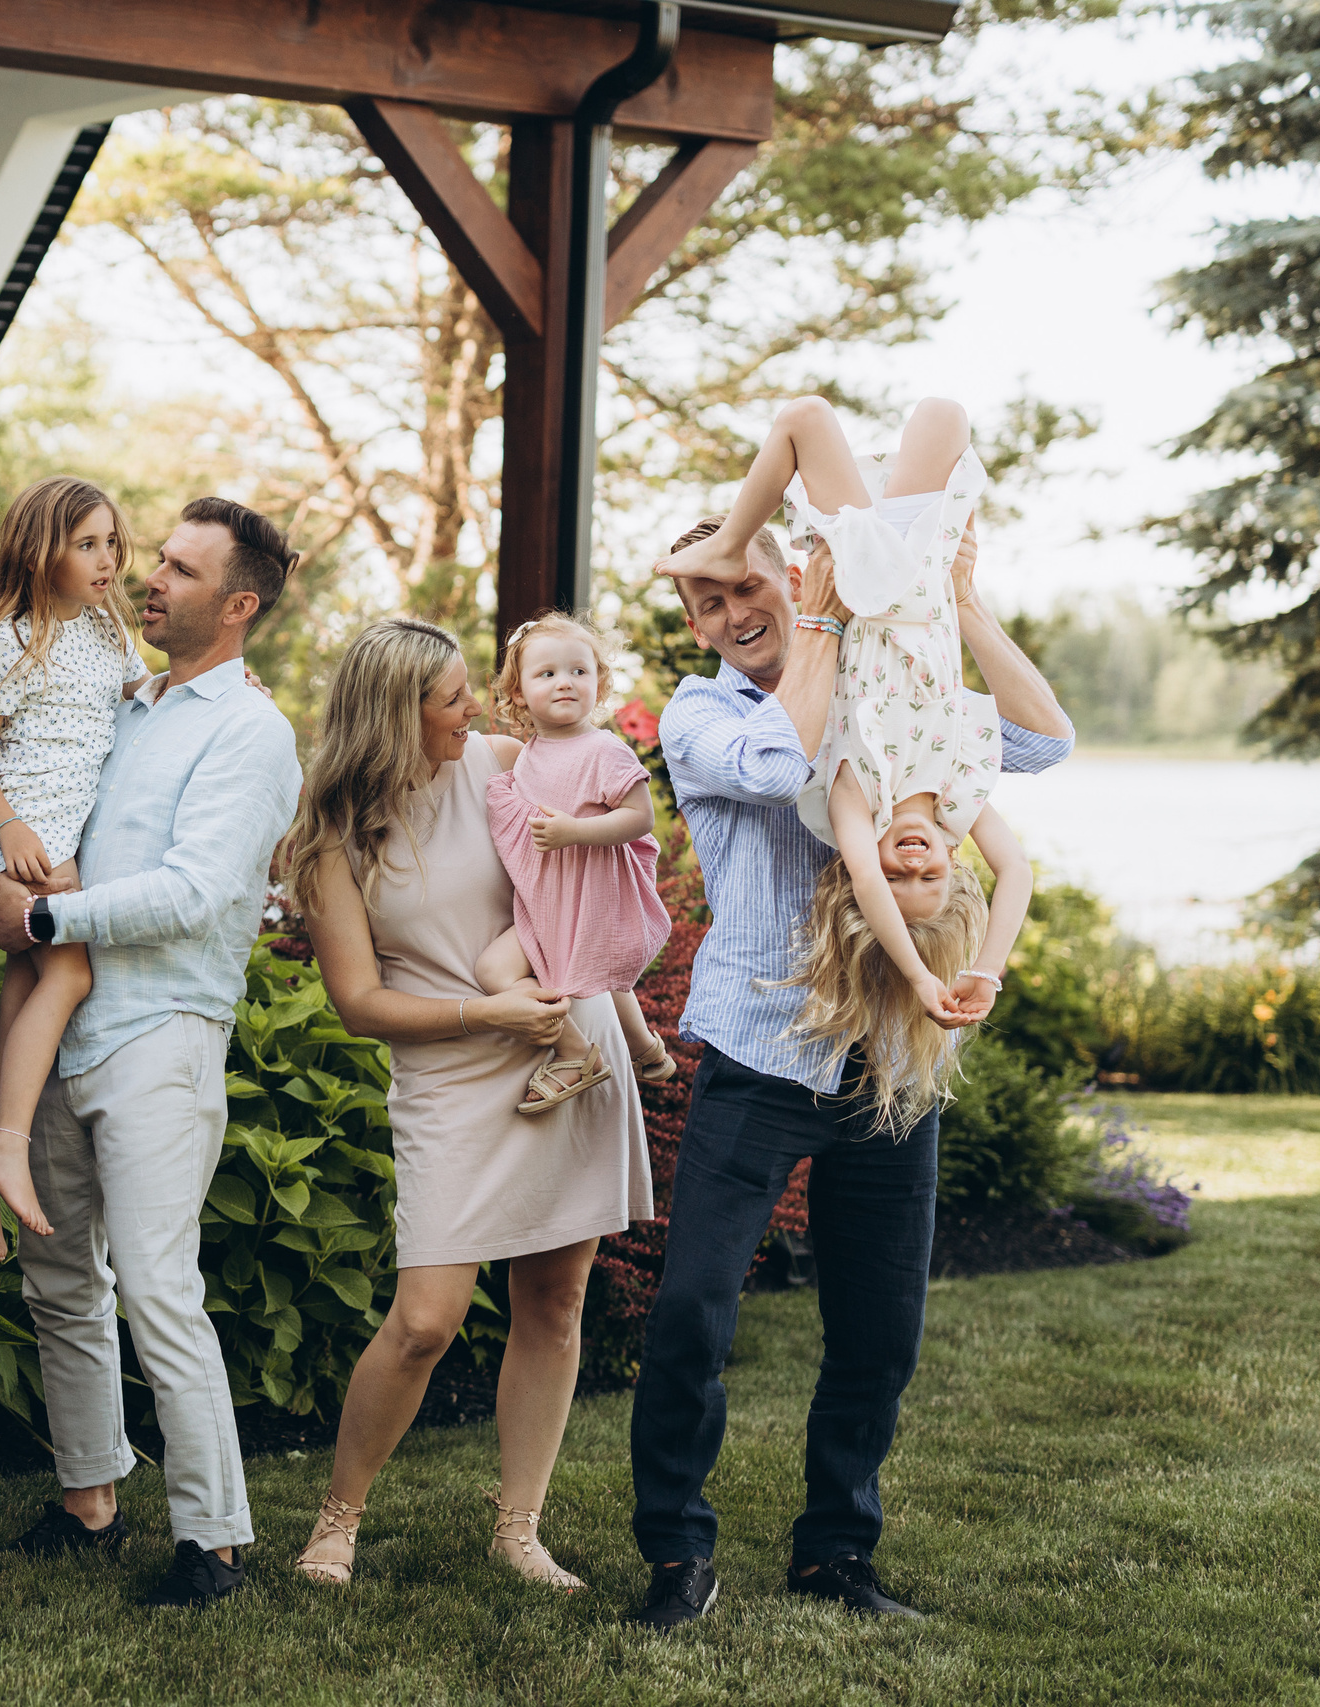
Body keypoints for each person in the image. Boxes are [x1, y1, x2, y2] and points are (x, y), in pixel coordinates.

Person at [633, 507, 1073, 1629]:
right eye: (707, 603)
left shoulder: (887, 686)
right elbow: (780, 761)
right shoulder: (702, 715)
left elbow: (1040, 742)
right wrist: (829, 625)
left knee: (880, 1332)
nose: (733, 615)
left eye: (748, 587)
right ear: (693, 625)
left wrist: (961, 604)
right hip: (760, 1052)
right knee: (692, 1313)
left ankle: (835, 1552)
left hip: (887, 1063)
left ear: (793, 573)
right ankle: (676, 1552)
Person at [0, 497, 302, 1609]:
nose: (151, 578)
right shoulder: (122, 698)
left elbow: (196, 892)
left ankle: (213, 1540)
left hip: (160, 1031)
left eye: (181, 569)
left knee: (160, 1286)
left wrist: (44, 919)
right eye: (156, 559)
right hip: (57, 1024)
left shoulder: (249, 731)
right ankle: (89, 1499)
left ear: (238, 604)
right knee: (60, 1277)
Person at [285, 617, 654, 1594]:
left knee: (556, 1299)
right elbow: (359, 1004)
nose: (477, 708)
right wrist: (484, 1011)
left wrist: (619, 1010)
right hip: (449, 1071)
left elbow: (600, 864)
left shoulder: (501, 763)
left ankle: (518, 1528)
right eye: (451, 697)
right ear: (394, 714)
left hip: (567, 1054)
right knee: (424, 1320)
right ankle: (337, 1518)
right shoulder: (330, 841)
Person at [657, 396, 1035, 1131]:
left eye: (746, 586)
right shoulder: (958, 783)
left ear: (796, 583)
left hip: (869, 592)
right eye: (929, 878)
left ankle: (728, 541)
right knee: (944, 416)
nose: (911, 866)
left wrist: (920, 977)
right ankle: (731, 543)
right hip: (922, 586)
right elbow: (1016, 863)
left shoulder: (847, 778)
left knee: (806, 419)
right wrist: (984, 970)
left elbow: (783, 779)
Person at [0, 476, 148, 1242]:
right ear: (42, 552)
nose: (107, 560)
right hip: (22, 841)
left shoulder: (108, 631)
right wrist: (8, 828)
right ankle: (7, 1145)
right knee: (71, 975)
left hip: (65, 840)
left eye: (111, 543)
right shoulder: (12, 639)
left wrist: (228, 682)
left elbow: (147, 698)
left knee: (25, 989)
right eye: (86, 545)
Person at [469, 609, 677, 1114]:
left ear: (598, 684)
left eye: (579, 671)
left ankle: (587, 1053)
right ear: (518, 692)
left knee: (590, 970)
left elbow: (640, 817)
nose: (565, 682)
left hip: (589, 894)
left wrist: (574, 832)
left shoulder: (604, 750)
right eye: (547, 673)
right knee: (496, 971)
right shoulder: (529, 753)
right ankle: (624, 1050)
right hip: (546, 899)